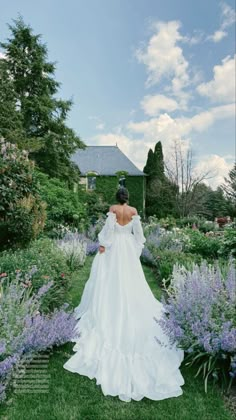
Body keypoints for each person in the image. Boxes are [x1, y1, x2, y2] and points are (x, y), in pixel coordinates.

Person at [63, 187, 185, 402]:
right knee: (131, 277)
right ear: (128, 198)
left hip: (115, 248)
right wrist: (136, 248)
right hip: (127, 247)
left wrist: (103, 245)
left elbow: (107, 232)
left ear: (116, 198)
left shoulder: (112, 209)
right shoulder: (134, 211)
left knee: (111, 278)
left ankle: (111, 302)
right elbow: (139, 236)